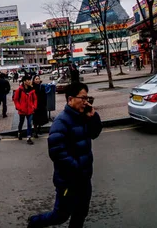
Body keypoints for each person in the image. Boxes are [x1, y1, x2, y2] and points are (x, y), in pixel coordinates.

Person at [28, 82, 102, 228]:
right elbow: (57, 153)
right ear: (70, 99)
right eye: (82, 98)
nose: (85, 102)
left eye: (88, 98)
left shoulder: (84, 116)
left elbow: (95, 133)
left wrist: (93, 117)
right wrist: (78, 168)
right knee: (60, 215)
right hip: (69, 181)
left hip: (84, 179)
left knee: (80, 213)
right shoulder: (61, 122)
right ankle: (34, 222)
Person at [13, 75, 37, 145]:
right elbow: (16, 99)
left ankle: (28, 137)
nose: (29, 81)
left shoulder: (32, 90)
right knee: (21, 122)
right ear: (24, 81)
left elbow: (35, 99)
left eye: (30, 80)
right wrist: (19, 107)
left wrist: (34, 106)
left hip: (30, 110)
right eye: (28, 80)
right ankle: (19, 132)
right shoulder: (19, 90)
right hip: (22, 110)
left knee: (29, 124)